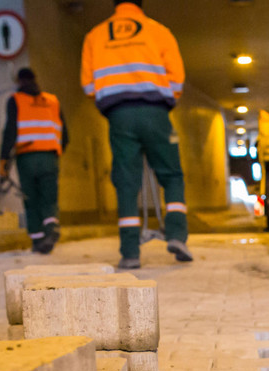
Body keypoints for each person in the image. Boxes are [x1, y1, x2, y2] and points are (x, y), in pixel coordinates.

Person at [81, 0, 192, 268]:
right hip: (156, 112)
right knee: (171, 174)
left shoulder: (95, 36)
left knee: (127, 182)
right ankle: (176, 235)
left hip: (119, 116)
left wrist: (113, 105)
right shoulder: (159, 31)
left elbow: (88, 85)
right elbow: (177, 79)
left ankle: (130, 252)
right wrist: (165, 99)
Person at [0, 68, 68, 254]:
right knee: (49, 197)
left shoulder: (16, 100)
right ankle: (51, 228)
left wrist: (3, 159)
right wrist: (56, 153)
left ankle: (38, 241)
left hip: (27, 157)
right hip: (49, 157)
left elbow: (10, 131)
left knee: (31, 198)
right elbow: (65, 135)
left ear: (19, 81)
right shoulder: (52, 101)